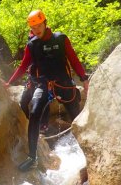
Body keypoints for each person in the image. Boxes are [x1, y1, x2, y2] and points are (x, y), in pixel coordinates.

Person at [5, 10, 89, 172]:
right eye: (33, 26)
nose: (36, 29)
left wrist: (84, 78)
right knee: (35, 112)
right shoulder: (32, 45)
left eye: (38, 25)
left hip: (64, 84)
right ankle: (32, 158)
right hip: (43, 84)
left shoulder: (60, 38)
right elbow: (23, 66)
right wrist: (9, 82)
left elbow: (73, 59)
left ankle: (87, 156)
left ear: (44, 23)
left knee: (77, 119)